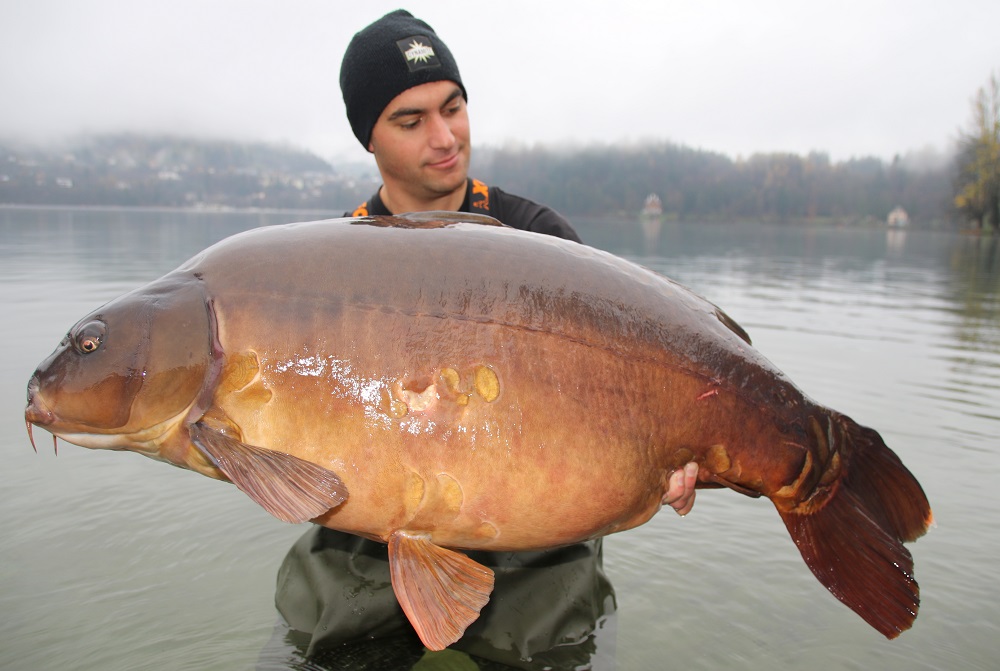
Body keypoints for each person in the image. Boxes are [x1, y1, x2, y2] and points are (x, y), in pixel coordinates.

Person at [267, 10, 697, 669]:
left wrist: (665, 449)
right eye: (411, 121)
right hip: (375, 524)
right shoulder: (338, 264)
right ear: (369, 139)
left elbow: (612, 390)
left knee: (558, 640)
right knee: (314, 647)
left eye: (453, 107)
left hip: (531, 523)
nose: (444, 138)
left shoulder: (538, 238)